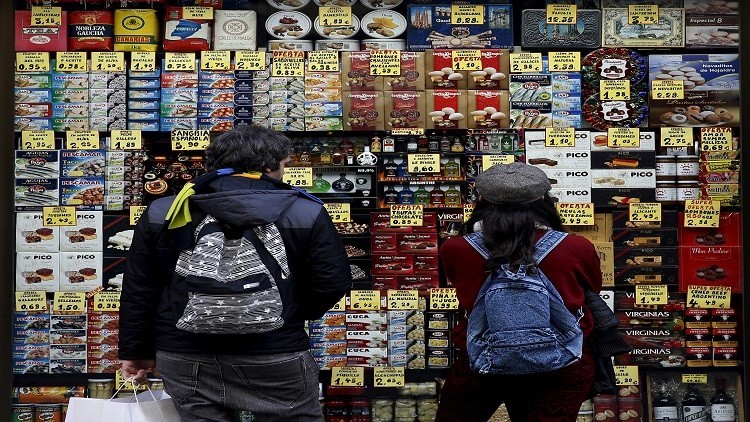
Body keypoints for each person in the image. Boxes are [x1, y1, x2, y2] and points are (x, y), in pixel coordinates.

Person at [119, 126, 352, 422]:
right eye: (284, 165)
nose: (284, 172)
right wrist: (287, 311)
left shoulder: (164, 210)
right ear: (268, 166)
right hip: (273, 351)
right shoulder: (305, 211)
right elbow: (332, 281)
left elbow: (140, 288)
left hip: (184, 352)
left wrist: (135, 350)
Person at [435, 163, 602, 422]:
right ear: (545, 200)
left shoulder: (455, 249)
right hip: (562, 361)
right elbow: (592, 288)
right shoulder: (577, 247)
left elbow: (459, 285)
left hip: (483, 359)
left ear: (483, 201)